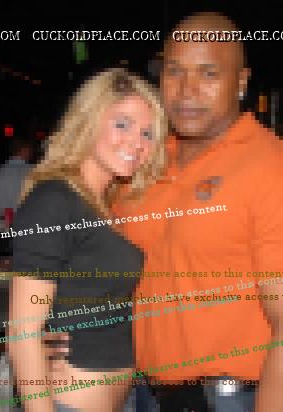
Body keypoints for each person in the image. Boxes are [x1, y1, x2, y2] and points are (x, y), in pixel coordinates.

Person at [115, 12, 283, 412]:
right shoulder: (145, 161)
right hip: (144, 395)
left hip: (232, 399)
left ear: (241, 82)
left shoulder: (269, 165)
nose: (187, 90)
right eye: (174, 71)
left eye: (208, 74)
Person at [8, 68, 167, 411]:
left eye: (147, 133)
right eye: (122, 124)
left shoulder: (108, 204)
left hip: (125, 398)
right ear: (89, 120)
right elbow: (23, 334)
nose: (136, 142)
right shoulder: (54, 200)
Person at [0, 139, 33, 218]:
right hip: (30, 220)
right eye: (30, 150)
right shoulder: (35, 172)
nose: (31, 154)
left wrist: (4, 213)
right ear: (24, 150)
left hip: (4, 221)